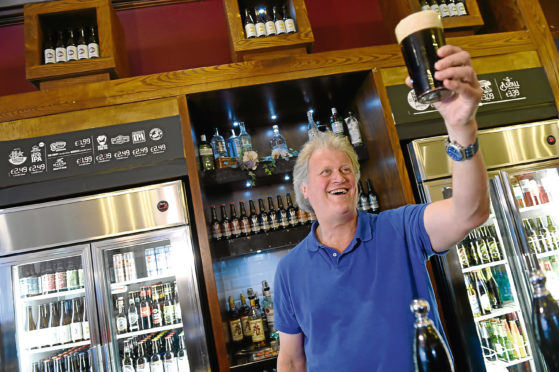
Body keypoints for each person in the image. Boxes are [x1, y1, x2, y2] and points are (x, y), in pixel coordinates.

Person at [273, 45, 489, 371]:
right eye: (326, 172)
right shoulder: (289, 271)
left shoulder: (400, 228)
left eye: (347, 169)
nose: (340, 177)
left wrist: (462, 128)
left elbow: (470, 212)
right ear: (305, 189)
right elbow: (290, 359)